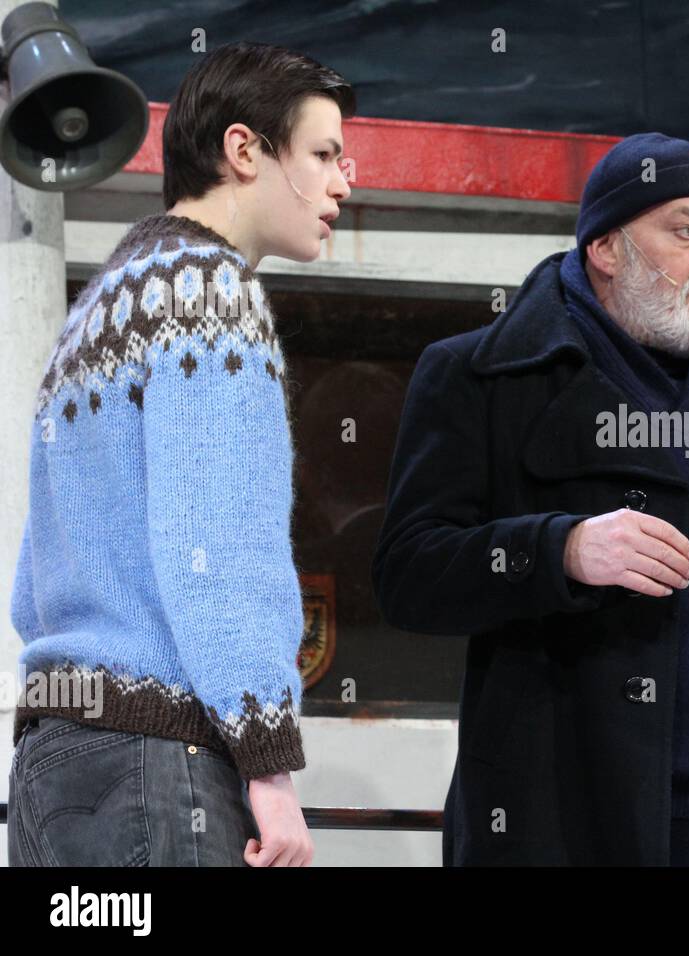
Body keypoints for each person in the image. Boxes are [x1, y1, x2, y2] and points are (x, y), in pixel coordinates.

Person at [373, 132, 689, 866]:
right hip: (570, 826)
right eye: (686, 229)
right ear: (606, 250)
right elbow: (408, 576)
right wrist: (563, 549)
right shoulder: (479, 375)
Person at [7, 42, 354, 867]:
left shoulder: (98, 310)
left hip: (52, 763)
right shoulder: (211, 297)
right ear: (244, 151)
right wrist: (269, 769)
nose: (345, 181)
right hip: (159, 768)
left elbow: (33, 575)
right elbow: (217, 554)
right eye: (324, 154)